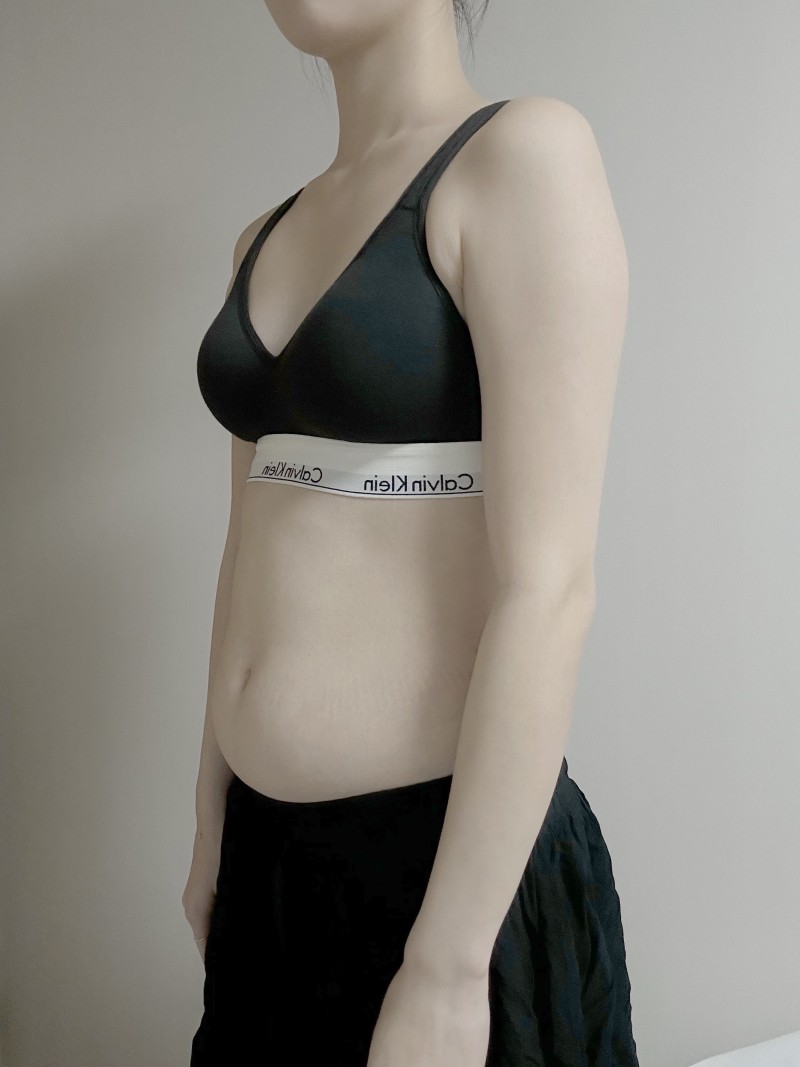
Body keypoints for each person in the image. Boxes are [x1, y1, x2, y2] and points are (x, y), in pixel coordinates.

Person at [184, 1, 636, 1064]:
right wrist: (210, 822)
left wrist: (449, 962)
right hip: (267, 860)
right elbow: (248, 550)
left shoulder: (520, 157)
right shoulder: (261, 238)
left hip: (444, 873)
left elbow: (550, 586)